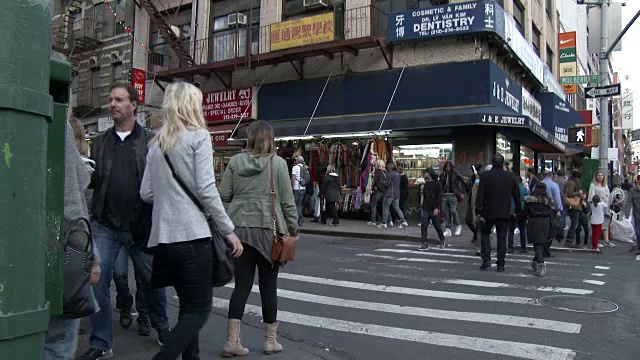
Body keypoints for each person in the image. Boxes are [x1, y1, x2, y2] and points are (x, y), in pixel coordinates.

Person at [140, 82, 243, 360]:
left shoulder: (156, 143)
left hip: (163, 241)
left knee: (187, 308)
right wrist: (229, 231)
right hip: (193, 238)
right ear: (191, 105)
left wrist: (170, 199)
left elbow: (146, 192)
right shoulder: (199, 137)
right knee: (199, 310)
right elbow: (207, 190)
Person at [79, 84, 170, 360]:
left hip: (141, 226)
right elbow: (93, 182)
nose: (112, 104)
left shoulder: (151, 141)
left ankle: (164, 329)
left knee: (153, 280)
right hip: (106, 225)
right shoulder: (101, 142)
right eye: (110, 99)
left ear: (134, 105)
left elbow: (162, 184)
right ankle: (101, 342)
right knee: (98, 280)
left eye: (119, 100)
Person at [219, 120, 299, 357]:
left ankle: (232, 342)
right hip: (269, 234)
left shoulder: (234, 162)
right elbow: (286, 202)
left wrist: (229, 223)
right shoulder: (278, 164)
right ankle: (269, 341)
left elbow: (223, 197)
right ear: (270, 139)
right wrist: (293, 229)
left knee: (241, 287)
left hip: (239, 232)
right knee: (268, 287)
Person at [44, 120, 101, 359]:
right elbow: (70, 202)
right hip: (53, 252)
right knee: (58, 342)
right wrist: (90, 256)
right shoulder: (55, 122)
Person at [476, 154, 521, 272]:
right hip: (504, 211)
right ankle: (500, 263)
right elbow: (516, 195)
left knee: (485, 234)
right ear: (503, 163)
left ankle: (486, 260)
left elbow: (480, 194)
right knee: (502, 237)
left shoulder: (485, 175)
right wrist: (518, 210)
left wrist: (478, 210)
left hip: (487, 211)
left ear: (492, 162)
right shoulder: (510, 176)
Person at [522, 183, 553, 277]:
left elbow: (525, 212)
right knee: (541, 243)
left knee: (537, 244)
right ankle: (535, 261)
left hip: (534, 222)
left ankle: (541, 264)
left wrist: (519, 217)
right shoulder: (548, 201)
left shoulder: (530, 200)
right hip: (545, 222)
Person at [419, 168, 445, 250]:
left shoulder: (437, 184)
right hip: (425, 207)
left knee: (436, 225)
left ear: (429, 173)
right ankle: (424, 243)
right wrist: (422, 201)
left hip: (433, 207)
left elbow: (439, 197)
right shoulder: (426, 184)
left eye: (425, 173)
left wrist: (437, 207)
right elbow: (424, 194)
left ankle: (442, 240)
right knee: (424, 225)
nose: (424, 174)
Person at [588, 170, 615, 248]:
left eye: (602, 175)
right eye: (599, 175)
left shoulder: (605, 185)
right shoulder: (593, 185)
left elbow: (608, 194)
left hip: (605, 205)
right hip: (598, 206)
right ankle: (597, 241)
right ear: (596, 176)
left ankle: (606, 240)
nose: (600, 177)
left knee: (606, 223)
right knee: (598, 224)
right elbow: (591, 196)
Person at [379, 162, 409, 229]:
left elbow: (387, 184)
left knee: (385, 208)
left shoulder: (389, 174)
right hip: (397, 194)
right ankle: (403, 221)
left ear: (390, 168)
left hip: (390, 194)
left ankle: (384, 222)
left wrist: (382, 182)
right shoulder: (398, 174)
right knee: (397, 208)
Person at [439, 161, 464, 236]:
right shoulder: (442, 175)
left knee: (453, 210)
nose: (448, 168)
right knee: (445, 212)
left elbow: (463, 180)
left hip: (453, 194)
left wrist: (461, 192)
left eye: (449, 166)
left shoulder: (455, 173)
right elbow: (440, 184)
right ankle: (448, 229)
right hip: (444, 194)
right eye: (446, 166)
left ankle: (458, 225)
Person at [508, 176, 528, 254]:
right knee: (522, 229)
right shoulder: (524, 189)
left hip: (512, 211)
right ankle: (523, 247)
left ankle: (510, 247)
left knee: (511, 230)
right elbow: (526, 200)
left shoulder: (510, 189)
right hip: (521, 211)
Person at [563, 169, 583, 249]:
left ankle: (569, 240)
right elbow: (569, 193)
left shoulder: (569, 182)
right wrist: (579, 193)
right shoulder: (572, 183)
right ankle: (569, 240)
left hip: (573, 206)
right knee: (574, 223)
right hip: (574, 206)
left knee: (574, 223)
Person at [466, 165, 482, 247]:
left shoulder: (479, 181)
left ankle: (478, 239)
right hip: (471, 203)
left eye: (470, 172)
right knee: (468, 220)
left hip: (478, 204)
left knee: (477, 222)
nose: (469, 174)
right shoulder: (471, 181)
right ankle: (476, 234)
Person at [368, 160, 388, 226]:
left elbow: (375, 181)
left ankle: (373, 220)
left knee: (373, 204)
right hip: (385, 190)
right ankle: (387, 221)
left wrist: (372, 187)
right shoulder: (386, 172)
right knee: (384, 206)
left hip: (378, 190)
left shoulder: (377, 171)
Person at [624, 176, 640, 255]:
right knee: (638, 231)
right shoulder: (633, 191)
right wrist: (627, 212)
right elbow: (629, 201)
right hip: (637, 214)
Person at [291, 155, 306, 226]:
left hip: (296, 188)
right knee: (300, 204)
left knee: (295, 204)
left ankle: (299, 217)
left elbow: (293, 178)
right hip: (303, 188)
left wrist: (292, 187)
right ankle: (299, 220)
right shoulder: (304, 168)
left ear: (297, 161)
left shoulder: (295, 167)